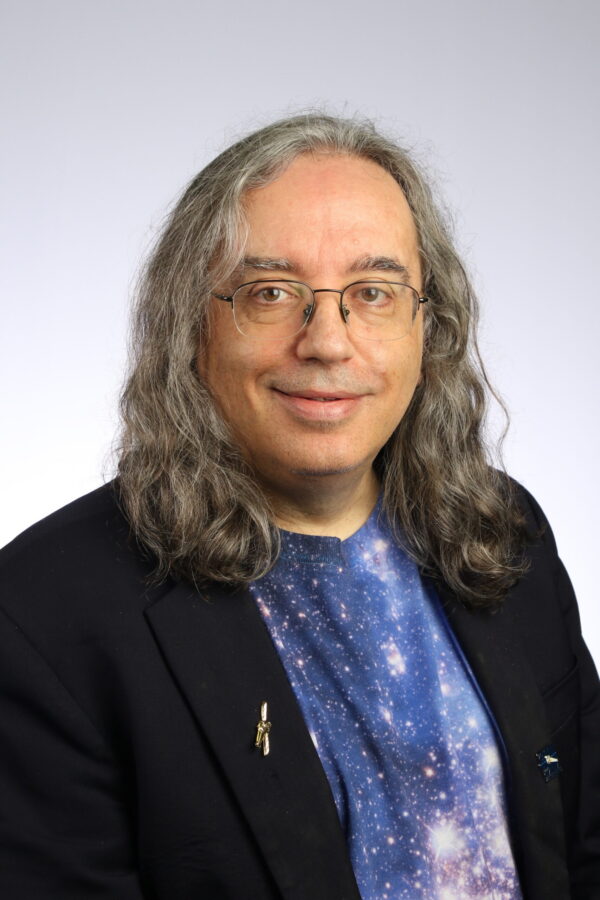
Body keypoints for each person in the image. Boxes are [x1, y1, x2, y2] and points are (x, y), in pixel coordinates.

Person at [0, 114, 598, 900]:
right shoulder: (44, 613)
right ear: (192, 328)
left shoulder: (503, 531)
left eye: (374, 292)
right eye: (271, 292)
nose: (327, 341)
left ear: (428, 327)